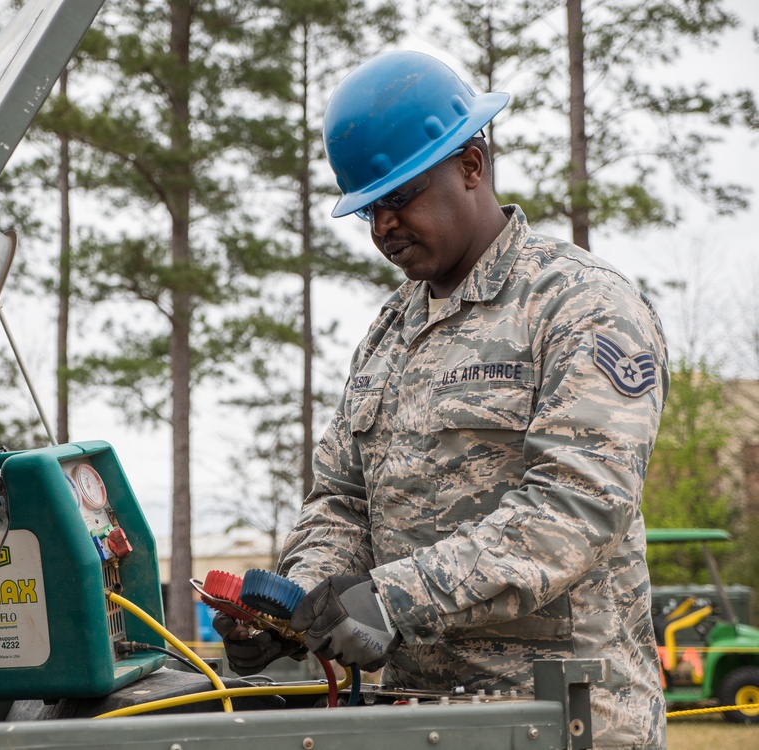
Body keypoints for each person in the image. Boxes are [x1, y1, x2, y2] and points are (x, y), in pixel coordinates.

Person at [215, 50, 668, 749]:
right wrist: (298, 610)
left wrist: (390, 600)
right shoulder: (389, 335)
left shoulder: (582, 305)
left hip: (561, 721)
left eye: (401, 196)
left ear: (471, 165)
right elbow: (340, 503)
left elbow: (576, 506)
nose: (383, 227)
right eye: (370, 208)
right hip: (413, 723)